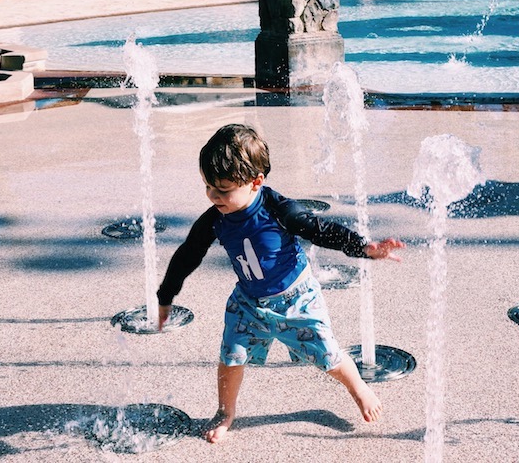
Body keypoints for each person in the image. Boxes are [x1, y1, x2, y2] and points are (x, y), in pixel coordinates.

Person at [157, 123, 405, 444]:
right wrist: (166, 296)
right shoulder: (215, 219)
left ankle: (358, 388)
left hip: (297, 300)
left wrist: (365, 248)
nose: (213, 195)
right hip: (248, 303)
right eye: (208, 186)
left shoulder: (279, 210)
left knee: (328, 357)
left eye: (222, 189)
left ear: (255, 182)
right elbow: (187, 255)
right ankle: (224, 412)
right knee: (231, 356)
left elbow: (321, 230)